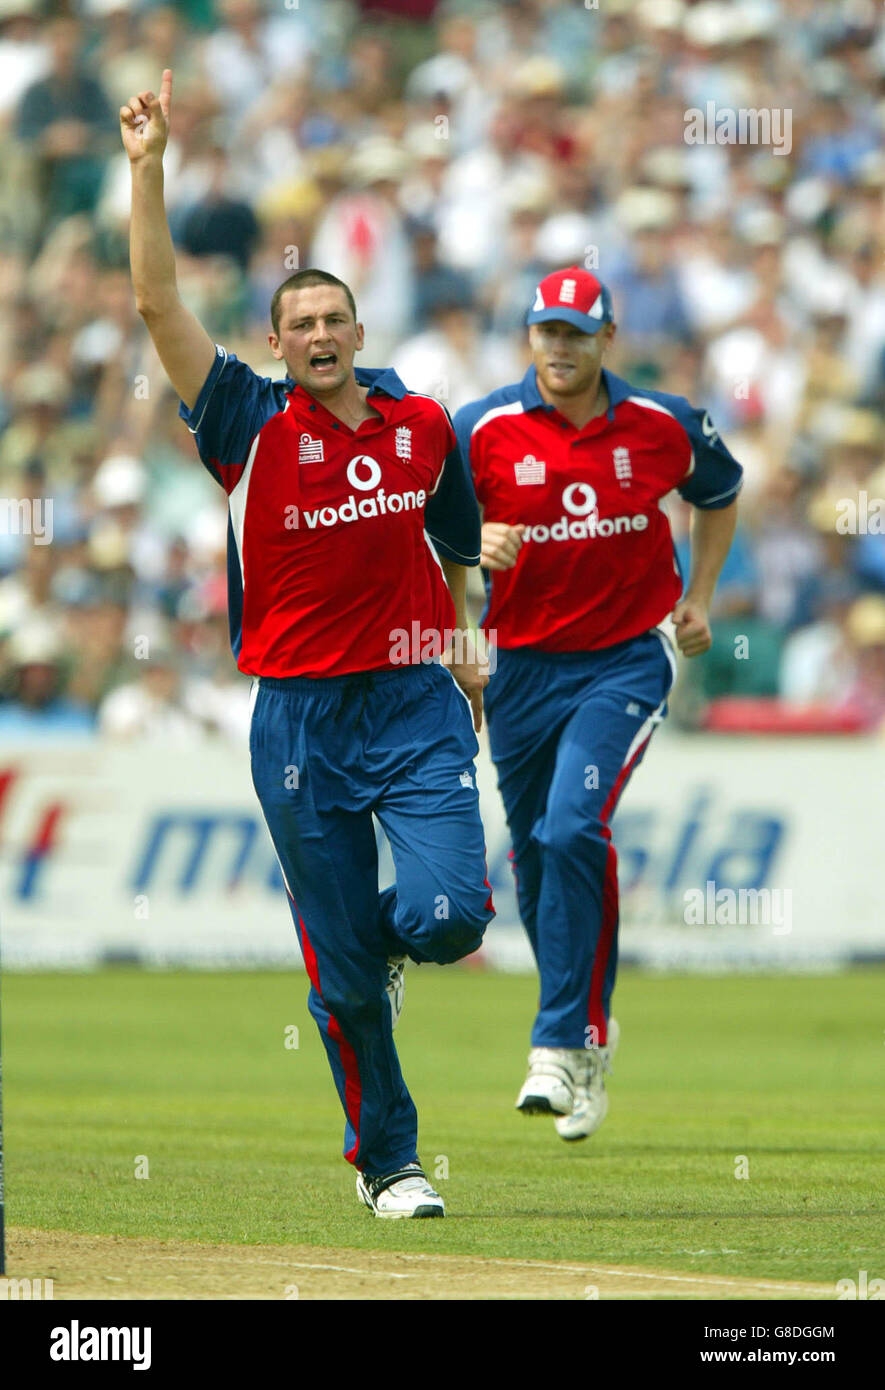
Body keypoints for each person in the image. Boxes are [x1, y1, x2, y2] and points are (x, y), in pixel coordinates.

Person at [121, 71, 494, 1216]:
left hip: (414, 702)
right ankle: (392, 1162)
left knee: (450, 918)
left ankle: (353, 954)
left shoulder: (424, 424)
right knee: (346, 983)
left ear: (358, 332)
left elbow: (458, 539)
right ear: (278, 342)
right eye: (301, 323)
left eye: (335, 320)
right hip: (296, 718)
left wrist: (470, 635)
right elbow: (155, 307)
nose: (320, 334)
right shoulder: (244, 418)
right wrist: (148, 170)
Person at [454, 266, 742, 1141]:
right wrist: (471, 555)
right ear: (529, 337)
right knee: (537, 859)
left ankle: (555, 1041)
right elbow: (427, 533)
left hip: (625, 658)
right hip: (519, 669)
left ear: (606, 337)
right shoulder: (480, 429)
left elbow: (719, 493)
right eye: (547, 331)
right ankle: (589, 1037)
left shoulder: (664, 423)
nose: (560, 348)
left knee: (574, 827)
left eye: (576, 333)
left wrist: (701, 599)